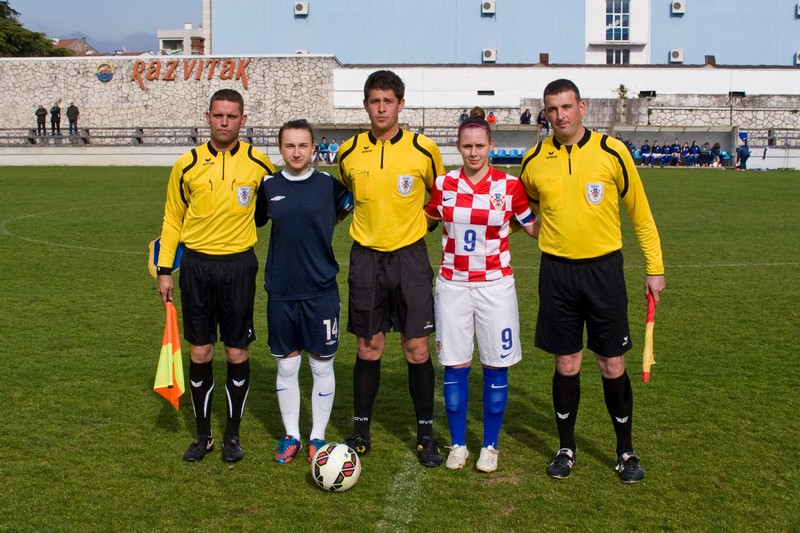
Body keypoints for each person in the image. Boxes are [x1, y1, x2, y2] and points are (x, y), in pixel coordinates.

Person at [520, 79, 665, 484]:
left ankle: (625, 451)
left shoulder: (612, 151)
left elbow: (640, 214)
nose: (559, 116)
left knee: (611, 363)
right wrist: (533, 229)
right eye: (552, 109)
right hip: (557, 273)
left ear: (581, 108)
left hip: (604, 272)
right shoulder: (534, 160)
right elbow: (524, 207)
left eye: (566, 107)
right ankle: (566, 448)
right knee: (566, 363)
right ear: (545, 113)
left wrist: (655, 268)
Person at [156, 89, 275, 463]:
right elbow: (172, 219)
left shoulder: (259, 163)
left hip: (238, 266)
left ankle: (232, 437)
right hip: (196, 267)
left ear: (243, 120)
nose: (225, 122)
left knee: (237, 350)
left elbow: (272, 207)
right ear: (207, 117)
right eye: (218, 115)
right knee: (201, 350)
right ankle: (203, 435)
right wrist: (164, 269)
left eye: (232, 116)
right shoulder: (187, 164)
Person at [337, 69, 445, 467]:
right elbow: (345, 195)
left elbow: (440, 196)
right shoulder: (348, 151)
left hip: (410, 258)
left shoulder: (424, 149)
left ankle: (425, 435)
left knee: (417, 348)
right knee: (369, 346)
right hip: (366, 258)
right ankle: (361, 431)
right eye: (374, 101)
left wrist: (423, 225)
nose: (381, 108)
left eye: (388, 101)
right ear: (365, 105)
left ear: (401, 104)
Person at [424, 117, 539, 473]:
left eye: (479, 145)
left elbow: (533, 227)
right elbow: (423, 222)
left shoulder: (510, 185)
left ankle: (490, 446)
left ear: (491, 146)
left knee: (495, 364)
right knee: (455, 365)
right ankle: (458, 445)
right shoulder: (443, 184)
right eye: (467, 146)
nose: (473, 152)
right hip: (453, 285)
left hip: (495, 286)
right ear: (458, 148)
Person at [254, 119, 353, 464]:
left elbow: (347, 206)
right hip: (281, 290)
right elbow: (257, 220)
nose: (296, 152)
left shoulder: (328, 185)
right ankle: (292, 435)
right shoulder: (268, 186)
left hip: (320, 290)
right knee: (287, 366)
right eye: (289, 146)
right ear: (281, 149)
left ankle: (318, 437)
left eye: (302, 146)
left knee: (321, 366)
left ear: (313, 148)